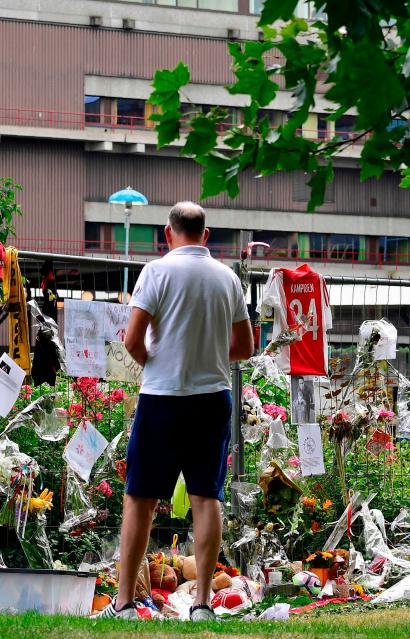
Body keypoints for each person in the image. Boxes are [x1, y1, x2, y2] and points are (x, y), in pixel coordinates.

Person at [98, 202, 253, 621]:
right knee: (206, 497)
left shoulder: (156, 272)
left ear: (169, 234)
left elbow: (132, 340)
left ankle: (125, 603)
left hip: (162, 398)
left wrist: (161, 359)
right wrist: (204, 354)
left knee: (140, 498)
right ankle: (203, 603)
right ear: (206, 236)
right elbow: (245, 346)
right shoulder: (227, 279)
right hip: (212, 397)